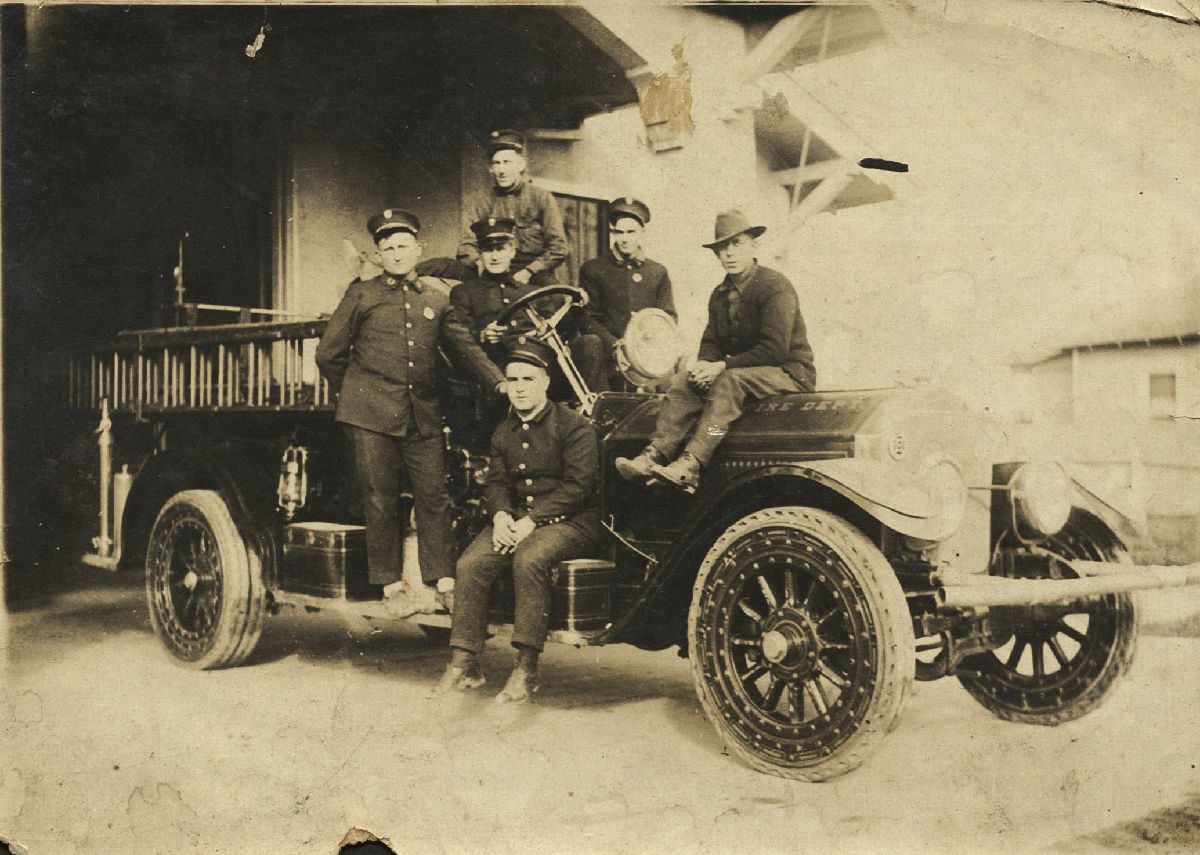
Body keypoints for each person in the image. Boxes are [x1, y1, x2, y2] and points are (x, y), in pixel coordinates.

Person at [315, 208, 506, 617]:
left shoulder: (436, 300)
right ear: (379, 254)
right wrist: (356, 396)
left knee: (434, 496)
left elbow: (466, 348)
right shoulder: (361, 296)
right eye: (388, 248)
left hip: (422, 414)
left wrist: (499, 382)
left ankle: (443, 582)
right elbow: (329, 354)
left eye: (404, 246)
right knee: (381, 499)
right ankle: (390, 586)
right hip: (370, 415)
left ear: (418, 250)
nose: (397, 254)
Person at [434, 338, 602, 703]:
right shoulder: (503, 430)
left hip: (572, 522)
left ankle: (526, 669)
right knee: (472, 563)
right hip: (518, 521)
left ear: (545, 382)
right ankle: (463, 662)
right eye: (513, 380)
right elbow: (496, 482)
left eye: (528, 379)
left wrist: (532, 521)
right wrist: (500, 515)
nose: (520, 388)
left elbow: (580, 487)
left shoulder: (574, 427)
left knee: (530, 560)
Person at [615, 210, 816, 492]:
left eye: (737, 245)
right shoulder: (719, 294)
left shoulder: (774, 286)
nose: (729, 253)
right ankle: (654, 454)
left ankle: (692, 462)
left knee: (729, 382)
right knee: (684, 380)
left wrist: (721, 367)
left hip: (789, 373)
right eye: (722, 247)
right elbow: (711, 342)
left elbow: (775, 350)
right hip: (742, 372)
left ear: (753, 246)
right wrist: (703, 367)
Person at [453, 216, 606, 399]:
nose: (494, 256)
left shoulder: (533, 292)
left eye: (500, 249)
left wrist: (578, 306)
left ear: (512, 251)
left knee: (590, 343)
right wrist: (483, 334)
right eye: (488, 250)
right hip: (502, 374)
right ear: (480, 254)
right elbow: (459, 339)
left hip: (544, 369)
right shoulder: (465, 292)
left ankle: (590, 409)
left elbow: (564, 331)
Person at [580, 197, 676, 388]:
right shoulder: (593, 269)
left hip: (647, 356)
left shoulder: (657, 272)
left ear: (642, 233)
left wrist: (649, 338)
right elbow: (587, 318)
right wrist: (614, 346)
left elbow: (668, 316)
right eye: (618, 232)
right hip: (610, 358)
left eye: (631, 232)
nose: (624, 239)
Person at [457, 130, 569, 287]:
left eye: (507, 162)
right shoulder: (481, 202)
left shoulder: (541, 197)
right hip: (493, 267)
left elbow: (559, 248)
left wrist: (530, 271)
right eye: (497, 163)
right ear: (491, 168)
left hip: (534, 270)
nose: (501, 170)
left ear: (521, 165)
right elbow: (466, 246)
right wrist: (479, 263)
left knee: (556, 299)